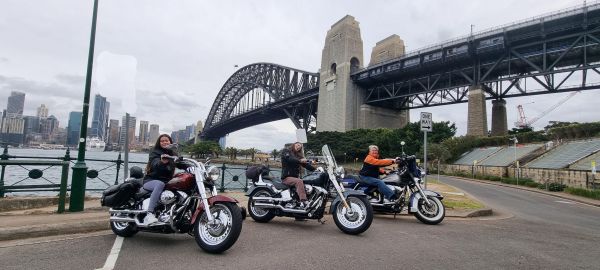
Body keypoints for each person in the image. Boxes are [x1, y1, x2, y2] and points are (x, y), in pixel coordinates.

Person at [141, 134, 177, 225]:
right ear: (159, 142)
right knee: (160, 184)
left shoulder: (173, 153)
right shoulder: (154, 152)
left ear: (170, 142)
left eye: (167, 140)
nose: (165, 142)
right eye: (162, 141)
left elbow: (181, 163)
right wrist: (161, 162)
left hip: (167, 181)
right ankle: (149, 214)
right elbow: (154, 163)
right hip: (151, 180)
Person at [281, 142, 315, 208]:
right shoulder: (286, 151)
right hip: (286, 177)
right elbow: (289, 159)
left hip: (294, 178)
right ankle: (303, 201)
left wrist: (315, 170)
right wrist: (300, 160)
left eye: (300, 146)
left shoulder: (298, 156)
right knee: (299, 181)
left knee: (304, 182)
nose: (299, 147)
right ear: (294, 144)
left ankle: (299, 205)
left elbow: (306, 165)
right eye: (298, 145)